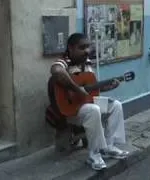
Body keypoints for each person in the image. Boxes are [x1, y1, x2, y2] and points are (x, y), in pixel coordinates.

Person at [50, 33, 129, 171]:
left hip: (85, 104)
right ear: (71, 48)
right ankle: (94, 154)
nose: (87, 51)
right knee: (94, 110)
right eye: (82, 47)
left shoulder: (86, 63)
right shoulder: (64, 61)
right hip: (70, 109)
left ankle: (109, 146)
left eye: (88, 47)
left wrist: (106, 87)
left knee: (115, 105)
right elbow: (56, 72)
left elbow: (90, 89)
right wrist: (77, 89)